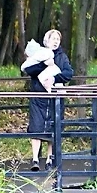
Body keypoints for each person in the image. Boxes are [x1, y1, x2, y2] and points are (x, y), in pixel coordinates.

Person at [22, 29, 73, 171]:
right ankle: (35, 159)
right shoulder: (39, 54)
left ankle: (50, 159)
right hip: (38, 98)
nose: (56, 41)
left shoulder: (62, 57)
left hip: (54, 98)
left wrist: (54, 78)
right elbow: (29, 69)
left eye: (58, 39)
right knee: (36, 127)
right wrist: (45, 64)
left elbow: (68, 73)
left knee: (52, 128)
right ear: (47, 41)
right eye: (53, 39)